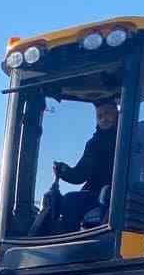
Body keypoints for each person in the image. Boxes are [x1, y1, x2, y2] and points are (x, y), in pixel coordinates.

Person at [38, 97, 119, 234]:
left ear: (117, 114)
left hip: (106, 196)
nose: (104, 119)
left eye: (107, 114)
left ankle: (69, 238)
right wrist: (64, 171)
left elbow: (79, 175)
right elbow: (81, 172)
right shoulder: (98, 142)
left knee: (70, 201)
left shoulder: (98, 143)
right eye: (100, 116)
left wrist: (64, 171)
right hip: (106, 195)